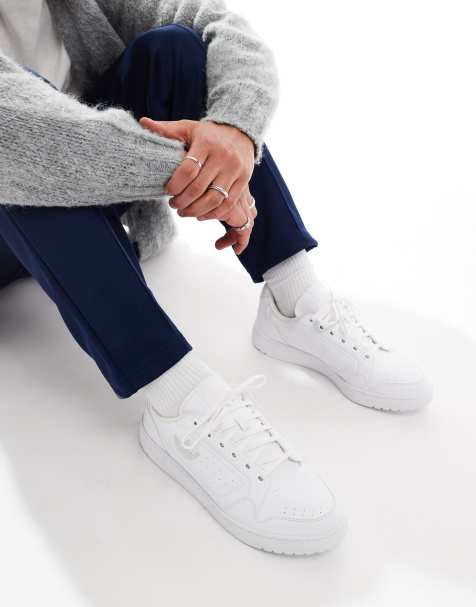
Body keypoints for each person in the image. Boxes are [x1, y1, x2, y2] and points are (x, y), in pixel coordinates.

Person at [0, 0, 432, 556]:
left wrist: (233, 134)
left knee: (178, 49)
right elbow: (24, 139)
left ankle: (295, 302)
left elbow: (217, 24)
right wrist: (210, 174)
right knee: (24, 146)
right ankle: (181, 402)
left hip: (95, 180)